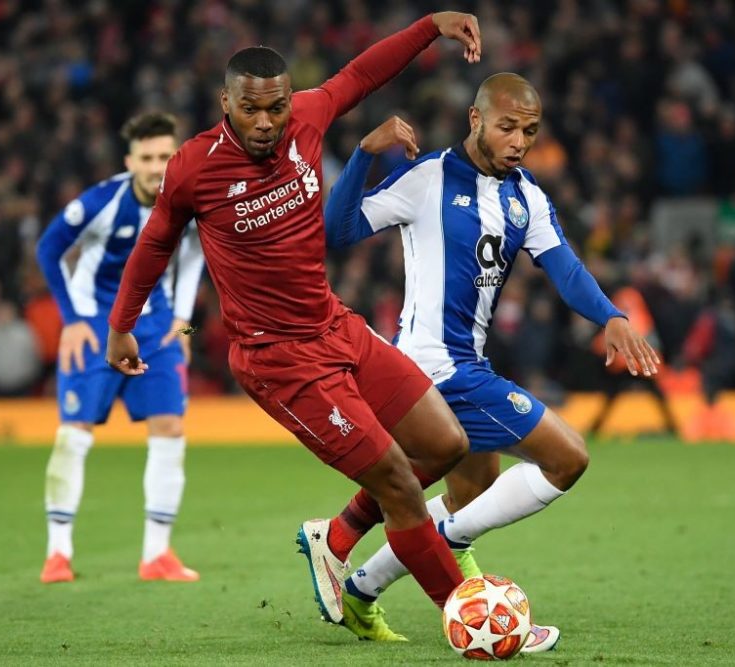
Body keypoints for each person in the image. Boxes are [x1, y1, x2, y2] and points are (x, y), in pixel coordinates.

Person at [105, 13, 483, 627]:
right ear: (225, 102)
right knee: (398, 482)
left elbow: (361, 73)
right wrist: (123, 324)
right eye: (251, 110)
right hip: (278, 360)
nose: (265, 123)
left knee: (445, 444)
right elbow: (154, 245)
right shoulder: (194, 168)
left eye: (275, 109)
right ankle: (468, 618)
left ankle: (333, 539)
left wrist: (431, 25)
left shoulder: (308, 116)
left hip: (335, 327)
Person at [320, 74, 661, 649]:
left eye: (530, 130)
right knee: (567, 458)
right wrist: (361, 156)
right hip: (434, 369)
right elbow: (339, 229)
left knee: (469, 496)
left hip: (467, 363)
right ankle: (446, 554)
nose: (520, 141)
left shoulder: (526, 197)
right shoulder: (428, 178)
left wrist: (611, 316)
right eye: (508, 127)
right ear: (476, 120)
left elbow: (566, 271)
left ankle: (361, 588)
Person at [35, 112, 205, 583]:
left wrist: (184, 324)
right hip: (93, 325)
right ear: (130, 160)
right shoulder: (102, 201)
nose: (156, 167)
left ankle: (157, 555)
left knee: (171, 428)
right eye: (147, 158)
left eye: (165, 156)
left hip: (156, 327)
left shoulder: (189, 201)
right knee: (75, 431)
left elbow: (195, 255)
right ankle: (58, 553)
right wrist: (70, 322)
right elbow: (48, 248)